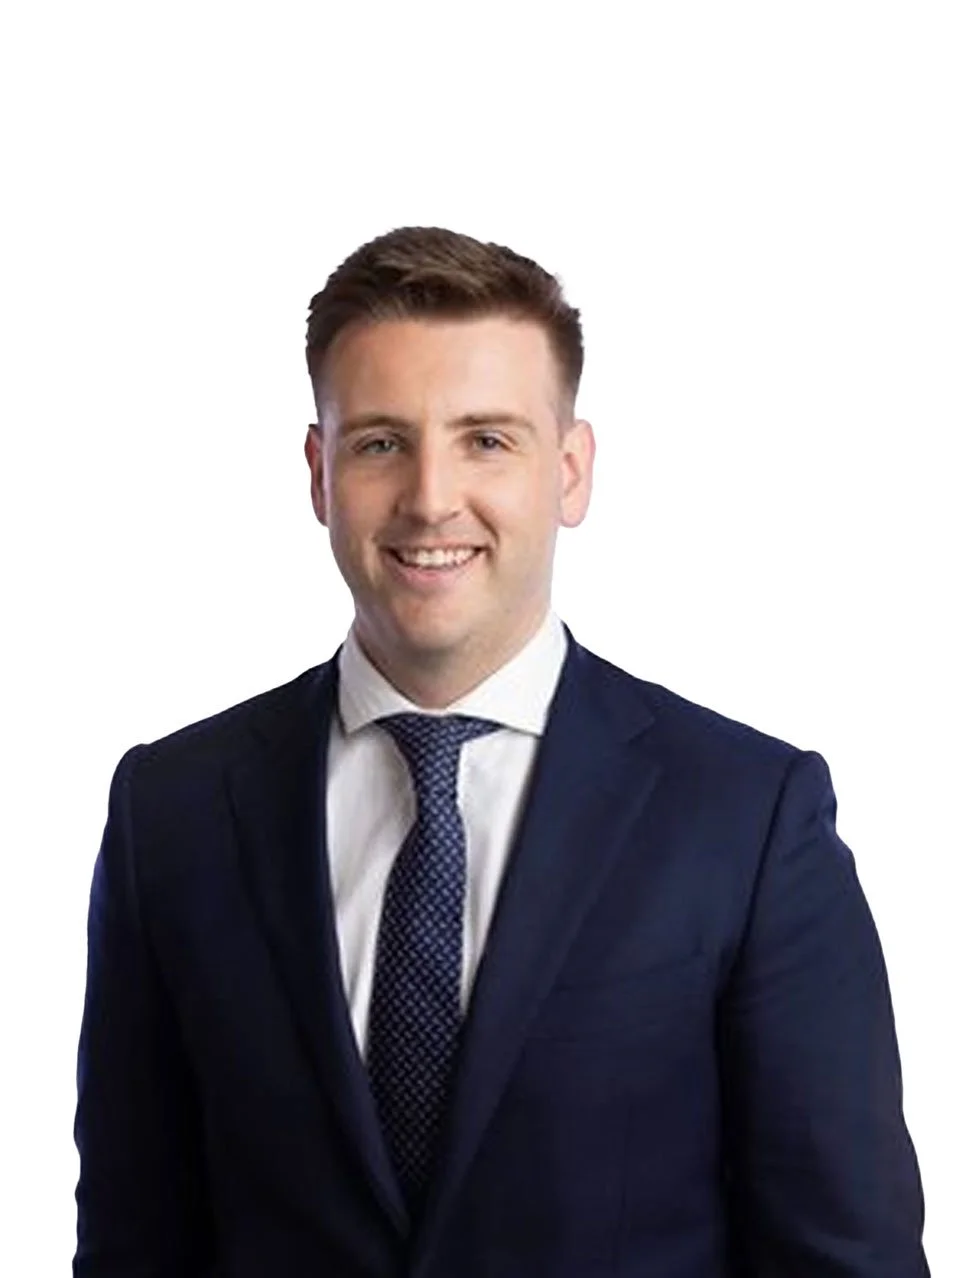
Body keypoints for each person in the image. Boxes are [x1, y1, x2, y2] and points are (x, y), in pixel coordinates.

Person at [73, 226, 929, 1277]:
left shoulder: (748, 820)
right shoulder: (175, 812)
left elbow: (847, 1259)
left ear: (570, 472)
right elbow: (131, 1245)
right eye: (382, 441)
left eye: (487, 439)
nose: (432, 498)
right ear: (319, 472)